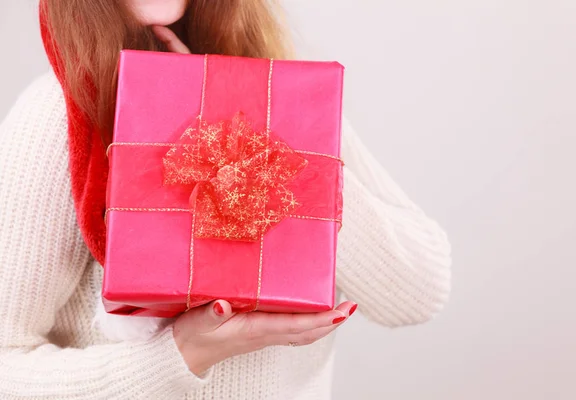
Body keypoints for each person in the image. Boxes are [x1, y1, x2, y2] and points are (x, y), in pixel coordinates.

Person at [0, 1, 452, 399]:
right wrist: (181, 355)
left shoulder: (288, 99)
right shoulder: (56, 115)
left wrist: (277, 145)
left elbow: (418, 294)